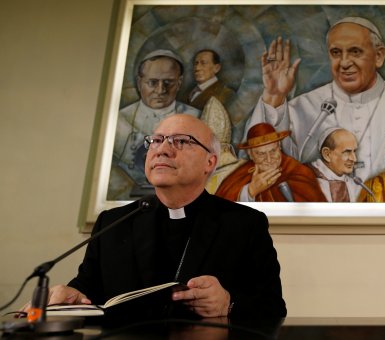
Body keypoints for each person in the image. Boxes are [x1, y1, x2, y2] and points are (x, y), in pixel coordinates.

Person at [45, 115, 286, 321]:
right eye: (157, 140)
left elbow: (273, 308)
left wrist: (228, 305)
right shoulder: (113, 222)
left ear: (210, 162)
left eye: (181, 141)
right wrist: (72, 294)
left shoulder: (244, 224)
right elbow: (87, 287)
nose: (162, 149)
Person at [246, 16, 385, 183]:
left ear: (379, 56)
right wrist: (273, 96)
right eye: (336, 53)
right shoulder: (304, 106)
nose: (344, 63)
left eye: (355, 52)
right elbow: (261, 159)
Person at [113, 49, 200, 199]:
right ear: (140, 83)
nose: (160, 90)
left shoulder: (196, 117)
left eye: (168, 83)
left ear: (179, 83)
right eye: (152, 83)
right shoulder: (119, 120)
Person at [215, 123, 327, 202]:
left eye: (273, 151)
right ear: (251, 155)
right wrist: (250, 191)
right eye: (261, 154)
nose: (269, 159)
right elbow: (219, 210)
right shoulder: (241, 174)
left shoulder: (298, 171)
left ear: (279, 147)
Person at [308, 127, 362, 202]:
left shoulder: (353, 183)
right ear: (327, 154)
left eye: (354, 151)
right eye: (347, 152)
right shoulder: (307, 179)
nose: (354, 159)